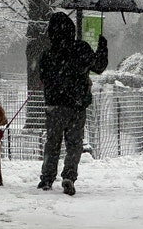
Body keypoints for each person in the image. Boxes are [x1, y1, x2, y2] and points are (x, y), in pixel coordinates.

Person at [37, 12, 108, 196]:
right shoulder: (81, 48)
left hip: (54, 106)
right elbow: (99, 67)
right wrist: (102, 46)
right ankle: (69, 175)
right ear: (71, 29)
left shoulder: (48, 53)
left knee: (52, 143)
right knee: (74, 144)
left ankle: (47, 177)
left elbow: (42, 77)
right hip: (76, 105)